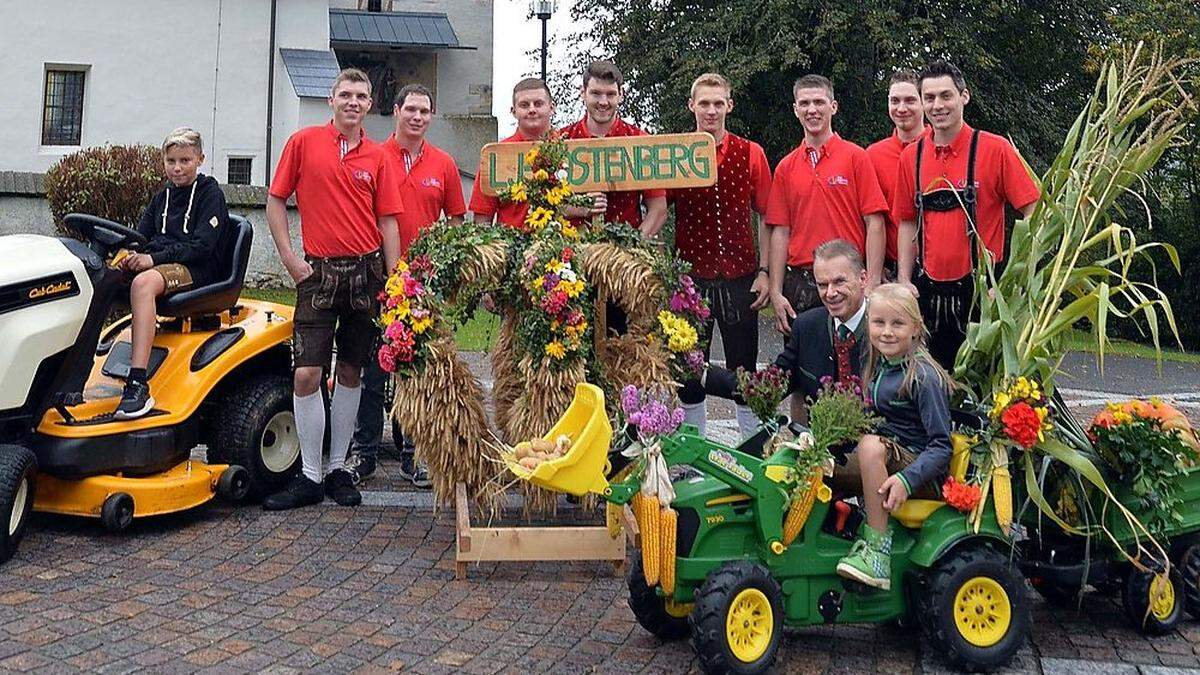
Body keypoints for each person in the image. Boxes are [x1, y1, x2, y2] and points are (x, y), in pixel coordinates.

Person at [263, 68, 403, 510]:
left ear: (369, 104)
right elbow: (275, 200)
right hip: (317, 274)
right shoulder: (303, 143)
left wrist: (395, 277)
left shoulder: (379, 155)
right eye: (346, 94)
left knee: (351, 372)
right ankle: (308, 474)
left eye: (361, 96)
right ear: (331, 99)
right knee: (307, 373)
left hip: (366, 274)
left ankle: (338, 468)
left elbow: (387, 220)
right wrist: (289, 258)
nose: (353, 102)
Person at [347, 83, 466, 488]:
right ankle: (363, 452)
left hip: (424, 282)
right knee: (373, 367)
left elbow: (455, 221)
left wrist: (445, 268)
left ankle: (414, 453)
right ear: (396, 111)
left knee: (418, 370)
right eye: (410, 109)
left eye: (425, 111)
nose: (417, 117)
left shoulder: (445, 164)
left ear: (431, 116)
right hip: (379, 278)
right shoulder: (376, 157)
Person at [893, 60, 1041, 369]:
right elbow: (907, 221)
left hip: (984, 297)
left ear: (964, 96)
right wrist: (904, 279)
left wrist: (1012, 279)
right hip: (928, 293)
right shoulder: (912, 157)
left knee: (983, 387)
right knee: (931, 384)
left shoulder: (994, 149)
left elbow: (1034, 212)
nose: (937, 105)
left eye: (945, 96)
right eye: (929, 97)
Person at [834, 283, 957, 590]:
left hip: (922, 474)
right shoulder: (880, 365)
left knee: (871, 446)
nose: (886, 332)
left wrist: (907, 480)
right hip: (888, 459)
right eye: (879, 323)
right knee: (819, 464)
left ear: (916, 329)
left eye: (897, 323)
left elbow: (942, 446)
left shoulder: (924, 377)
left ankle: (877, 551)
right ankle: (834, 537)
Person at [670, 72, 772, 439]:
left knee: (744, 369)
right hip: (690, 279)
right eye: (704, 103)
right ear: (691, 106)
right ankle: (691, 452)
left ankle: (750, 451)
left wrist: (764, 271)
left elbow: (767, 216)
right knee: (687, 370)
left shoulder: (751, 152)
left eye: (718, 103)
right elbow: (655, 207)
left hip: (740, 275)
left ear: (729, 105)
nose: (711, 110)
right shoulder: (675, 154)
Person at [115, 127, 229, 419]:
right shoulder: (161, 197)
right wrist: (126, 254)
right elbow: (140, 236)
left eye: (185, 160)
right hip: (164, 262)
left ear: (200, 159)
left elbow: (202, 247)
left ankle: (138, 383)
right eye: (171, 161)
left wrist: (153, 259)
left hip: (198, 268)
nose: (177, 168)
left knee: (143, 283)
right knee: (101, 277)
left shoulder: (210, 194)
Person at [767, 75, 888, 340]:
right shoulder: (786, 168)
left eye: (819, 102)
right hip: (801, 283)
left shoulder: (856, 157)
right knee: (805, 368)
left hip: (848, 281)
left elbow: (875, 223)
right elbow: (780, 232)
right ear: (796, 110)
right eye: (805, 103)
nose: (812, 110)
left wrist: (873, 283)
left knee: (856, 367)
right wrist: (776, 291)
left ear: (833, 106)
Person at [703, 239, 870, 424]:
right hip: (820, 448)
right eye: (822, 285)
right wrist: (698, 373)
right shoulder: (807, 327)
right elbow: (767, 388)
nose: (830, 293)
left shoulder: (888, 329)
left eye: (839, 282)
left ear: (863, 279)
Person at [559, 60, 668, 238]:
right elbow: (543, 204)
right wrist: (579, 208)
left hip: (625, 255)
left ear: (621, 95)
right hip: (568, 256)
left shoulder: (641, 141)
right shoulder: (559, 142)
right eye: (596, 93)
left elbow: (658, 209)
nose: (603, 102)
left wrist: (630, 249)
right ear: (583, 93)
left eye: (610, 94)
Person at [865, 70, 928, 281]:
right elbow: (870, 219)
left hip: (942, 268)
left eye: (910, 100)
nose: (902, 108)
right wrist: (875, 266)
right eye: (895, 101)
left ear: (923, 102)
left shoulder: (941, 148)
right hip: (892, 269)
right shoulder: (873, 155)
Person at [470, 78, 556, 227]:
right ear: (513, 111)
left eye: (538, 104)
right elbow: (482, 218)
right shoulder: (496, 155)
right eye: (524, 105)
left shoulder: (571, 148)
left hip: (565, 245)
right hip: (511, 246)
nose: (532, 109)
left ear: (552, 107)